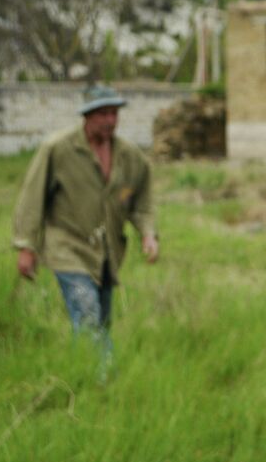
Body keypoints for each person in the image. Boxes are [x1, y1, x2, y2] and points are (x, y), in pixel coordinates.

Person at [11, 85, 158, 354]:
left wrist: (147, 234)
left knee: (102, 320)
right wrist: (27, 246)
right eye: (102, 114)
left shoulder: (131, 157)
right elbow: (32, 199)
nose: (110, 120)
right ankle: (104, 381)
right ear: (87, 116)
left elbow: (142, 201)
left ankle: (85, 374)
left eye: (114, 113)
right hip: (67, 246)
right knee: (87, 312)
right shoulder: (58, 149)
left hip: (107, 252)